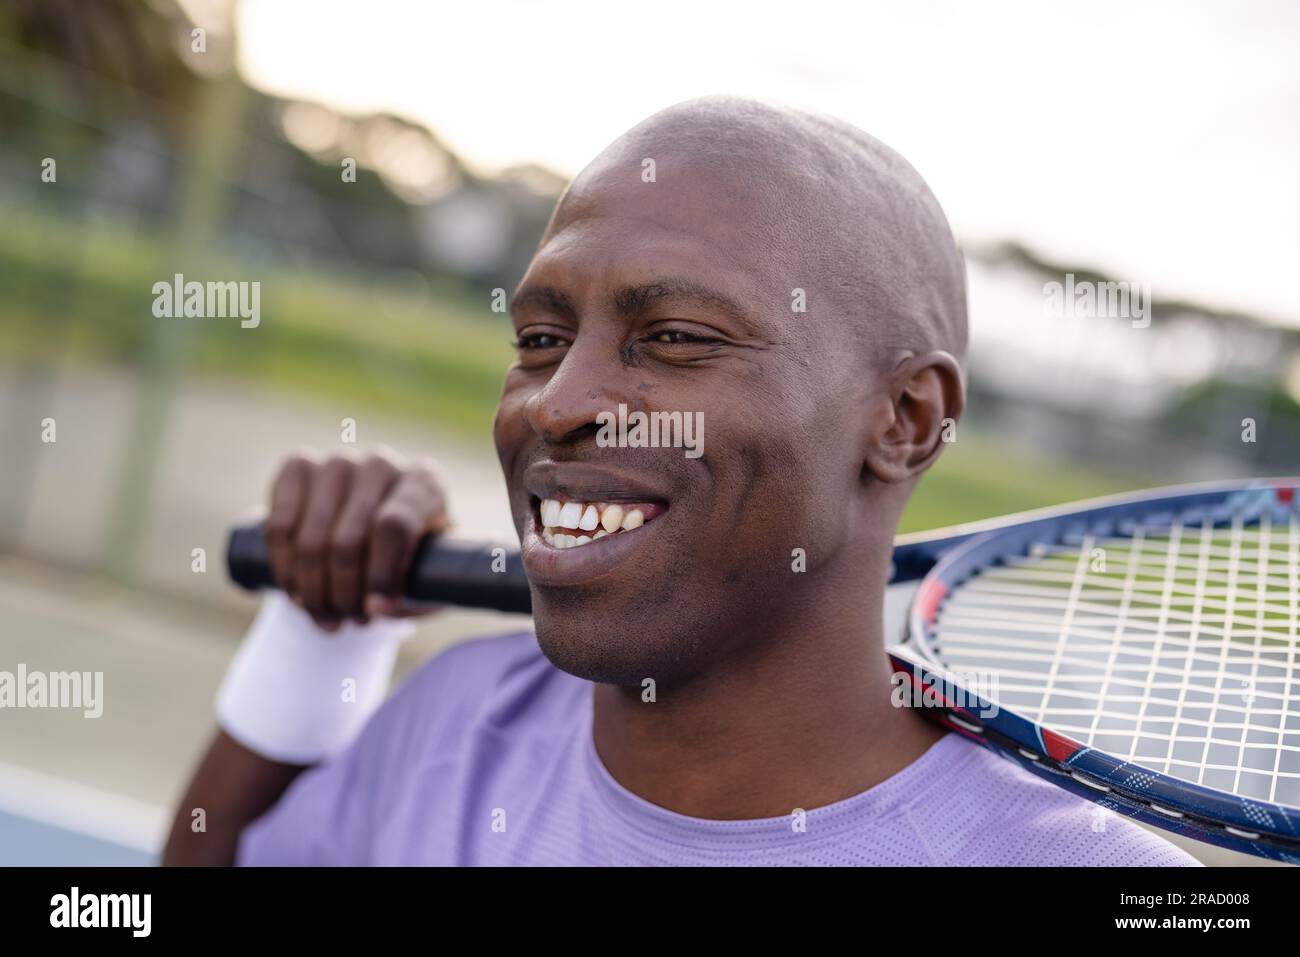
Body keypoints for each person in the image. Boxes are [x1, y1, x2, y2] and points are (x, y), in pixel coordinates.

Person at [163, 96, 1197, 866]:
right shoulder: (452, 726)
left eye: (675, 339)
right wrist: (311, 650)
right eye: (538, 338)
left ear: (904, 420)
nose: (558, 404)